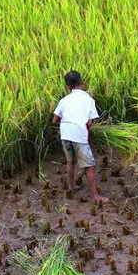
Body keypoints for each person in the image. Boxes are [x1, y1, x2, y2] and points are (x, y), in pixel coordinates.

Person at [52, 71, 108, 203]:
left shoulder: (64, 100)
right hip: (78, 133)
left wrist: (68, 123)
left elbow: (54, 120)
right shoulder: (88, 100)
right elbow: (89, 122)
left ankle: (71, 188)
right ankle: (94, 196)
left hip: (65, 133)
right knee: (89, 166)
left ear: (68, 87)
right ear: (82, 83)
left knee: (70, 161)